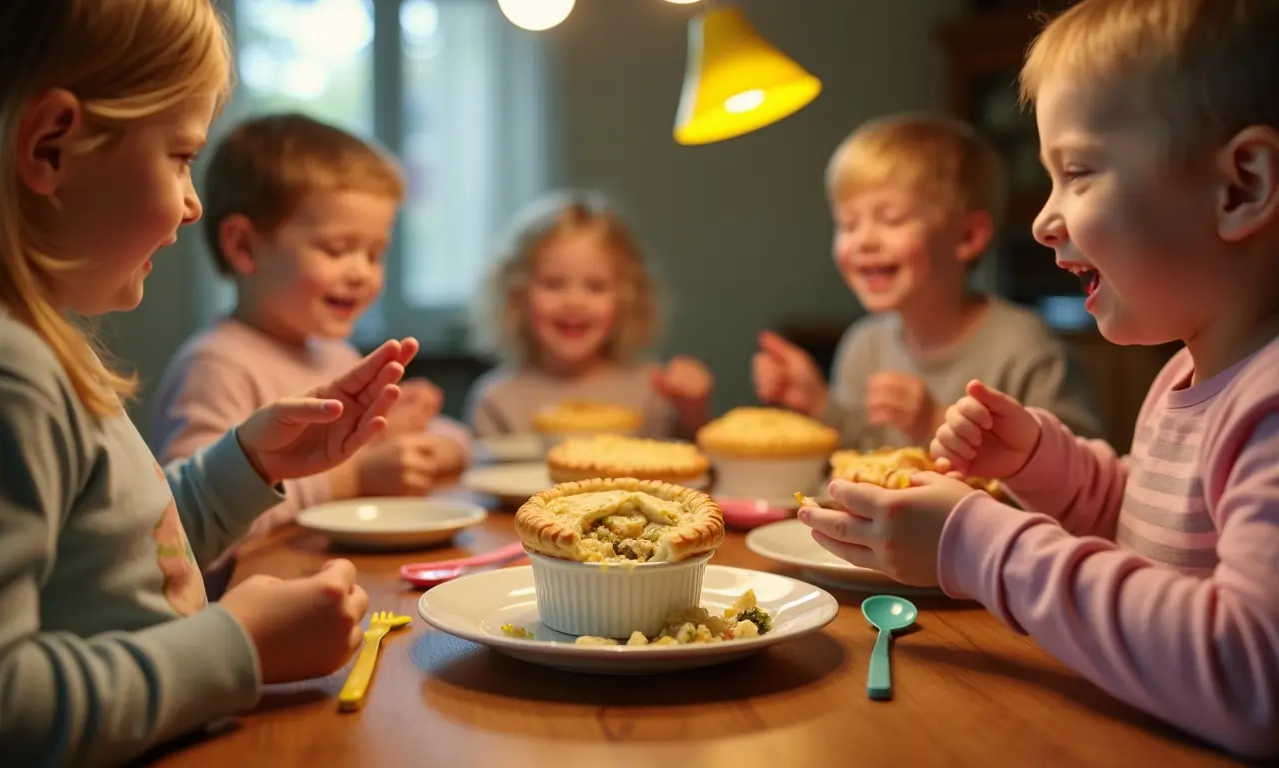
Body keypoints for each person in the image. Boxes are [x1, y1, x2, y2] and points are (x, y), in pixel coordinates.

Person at [0, 2, 415, 764]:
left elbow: (116, 551)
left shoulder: (17, 349)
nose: (193, 202)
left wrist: (247, 466)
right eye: (178, 156)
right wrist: (238, 645)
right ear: (50, 147)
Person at [800, 0, 1279, 758]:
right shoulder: (1189, 373)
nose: (1043, 220)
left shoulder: (1270, 405)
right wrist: (1043, 466)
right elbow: (1152, 531)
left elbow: (1251, 677)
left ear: (1241, 187)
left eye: (1078, 173)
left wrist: (979, 545)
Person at [151, 113, 469, 575]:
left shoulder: (334, 355)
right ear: (244, 247)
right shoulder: (217, 365)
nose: (361, 271)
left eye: (374, 253)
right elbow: (182, 527)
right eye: (338, 249)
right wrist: (355, 476)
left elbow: (458, 438)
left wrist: (424, 444)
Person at [753, 112, 1101, 448]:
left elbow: (1080, 471)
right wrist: (818, 403)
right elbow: (860, 455)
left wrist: (936, 423)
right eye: (848, 224)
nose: (863, 241)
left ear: (967, 237)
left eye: (891, 218)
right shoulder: (863, 346)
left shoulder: (1023, 348)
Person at [465, 190, 714, 439]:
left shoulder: (654, 389)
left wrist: (692, 409)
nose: (574, 302)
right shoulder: (496, 400)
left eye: (596, 287)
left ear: (626, 298)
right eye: (553, 284)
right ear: (517, 294)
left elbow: (692, 460)